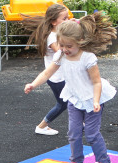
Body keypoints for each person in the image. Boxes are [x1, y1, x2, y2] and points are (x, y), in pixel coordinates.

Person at [24, 12, 117, 163]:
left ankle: (104, 161)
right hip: (74, 98)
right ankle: (76, 161)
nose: (65, 49)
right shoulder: (61, 55)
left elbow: (96, 82)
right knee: (73, 132)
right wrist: (33, 84)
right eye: (62, 45)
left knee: (91, 133)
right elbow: (47, 73)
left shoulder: (88, 58)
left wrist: (96, 101)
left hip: (91, 99)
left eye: (69, 46)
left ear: (80, 42)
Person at [23, 4, 69, 136]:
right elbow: (62, 52)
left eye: (67, 18)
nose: (67, 21)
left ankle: (82, 123)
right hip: (57, 78)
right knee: (63, 104)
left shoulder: (57, 33)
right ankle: (42, 126)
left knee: (71, 100)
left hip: (60, 76)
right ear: (54, 22)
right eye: (64, 19)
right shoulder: (52, 37)